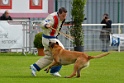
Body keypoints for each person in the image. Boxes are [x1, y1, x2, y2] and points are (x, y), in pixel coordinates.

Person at [30, 7, 67, 77]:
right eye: (63, 16)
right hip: (49, 39)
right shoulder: (52, 17)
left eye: (65, 16)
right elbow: (42, 23)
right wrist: (46, 25)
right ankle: (54, 71)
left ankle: (35, 67)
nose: (64, 17)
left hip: (50, 38)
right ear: (59, 14)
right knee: (61, 53)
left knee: (49, 57)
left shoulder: (60, 18)